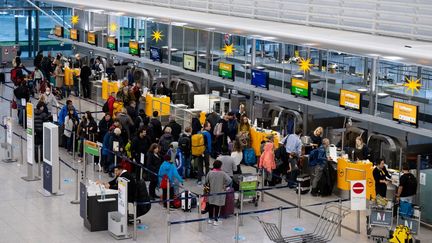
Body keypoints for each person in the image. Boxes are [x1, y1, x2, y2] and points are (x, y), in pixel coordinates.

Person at [205, 160, 232, 226]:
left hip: (211, 192)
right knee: (217, 206)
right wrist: (224, 185)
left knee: (211, 205)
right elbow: (229, 180)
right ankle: (216, 220)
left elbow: (206, 181)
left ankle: (210, 219)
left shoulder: (210, 173)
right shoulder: (222, 173)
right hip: (219, 192)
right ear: (220, 166)